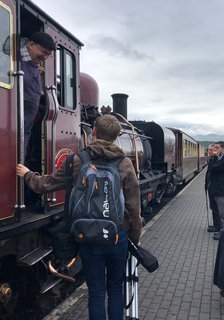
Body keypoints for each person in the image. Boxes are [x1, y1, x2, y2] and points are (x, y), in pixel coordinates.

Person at [17, 114, 143, 320]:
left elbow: (45, 185)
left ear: (93, 132)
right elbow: (133, 207)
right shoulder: (125, 163)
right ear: (117, 136)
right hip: (117, 237)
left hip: (88, 237)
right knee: (115, 289)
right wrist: (135, 236)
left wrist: (27, 174)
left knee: (96, 292)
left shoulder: (77, 160)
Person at [20, 31, 56, 157]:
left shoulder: (34, 65)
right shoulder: (15, 61)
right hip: (14, 127)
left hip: (25, 129)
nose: (45, 58)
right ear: (31, 45)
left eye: (48, 55)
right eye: (44, 52)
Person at [206, 141, 224, 240]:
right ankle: (218, 227)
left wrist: (213, 157)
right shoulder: (222, 157)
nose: (214, 150)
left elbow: (213, 168)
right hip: (217, 188)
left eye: (217, 148)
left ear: (223, 148)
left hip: (222, 189)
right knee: (217, 210)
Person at [205, 144, 222, 233]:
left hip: (215, 187)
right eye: (209, 150)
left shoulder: (216, 160)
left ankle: (218, 226)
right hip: (211, 186)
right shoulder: (213, 159)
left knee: (216, 207)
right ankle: (216, 225)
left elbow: (212, 169)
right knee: (213, 207)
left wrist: (213, 158)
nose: (210, 152)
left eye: (211, 150)